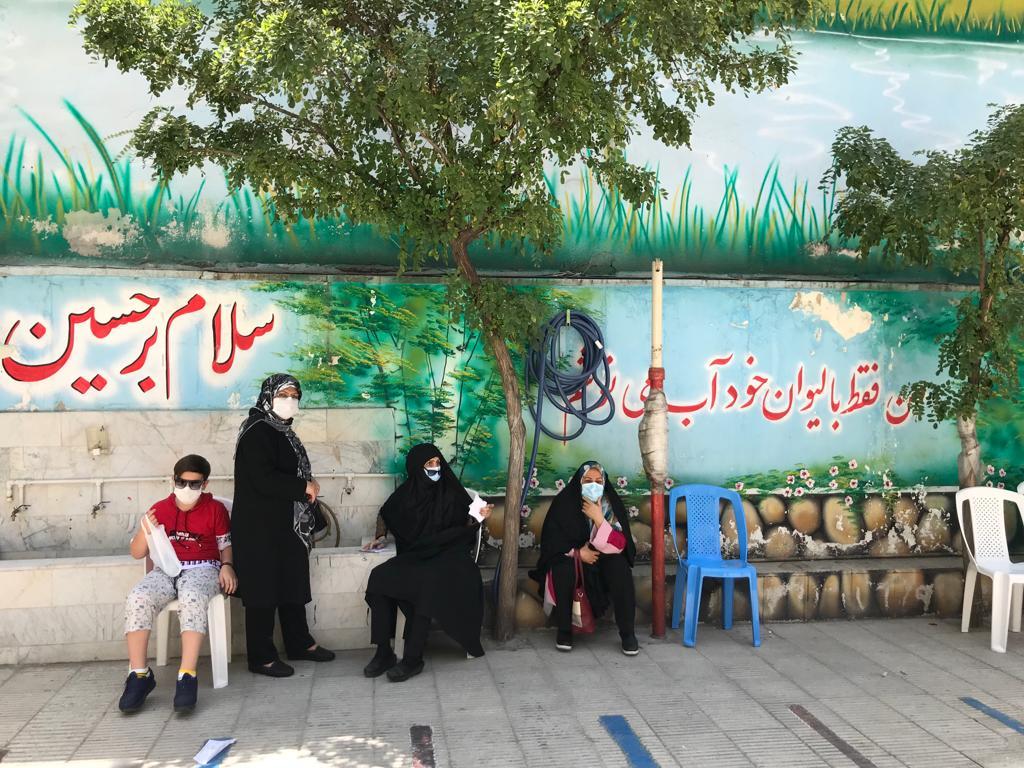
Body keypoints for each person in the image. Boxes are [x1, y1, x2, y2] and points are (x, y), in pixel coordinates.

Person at [232, 373, 334, 678]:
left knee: (292, 582)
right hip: (259, 527)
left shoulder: (281, 431)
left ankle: (299, 643)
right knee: (263, 590)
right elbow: (262, 479)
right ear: (269, 395)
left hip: (285, 524)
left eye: (295, 395)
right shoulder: (257, 431)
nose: (290, 400)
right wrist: (302, 487)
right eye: (284, 394)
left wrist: (304, 486)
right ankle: (261, 657)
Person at [362, 443, 490, 682]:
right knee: (379, 577)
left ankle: (413, 659)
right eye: (429, 464)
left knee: (426, 585)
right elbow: (386, 512)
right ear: (415, 469)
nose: (435, 468)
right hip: (416, 556)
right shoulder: (406, 495)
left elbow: (468, 524)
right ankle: (383, 652)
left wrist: (477, 519)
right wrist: (379, 536)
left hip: (449, 557)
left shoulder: (450, 492)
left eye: (437, 463)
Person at [118, 454, 236, 714]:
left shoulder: (214, 509)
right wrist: (145, 528)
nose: (187, 489)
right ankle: (139, 674)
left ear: (204, 484)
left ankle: (187, 675)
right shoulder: (160, 509)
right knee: (139, 596)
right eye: (182, 482)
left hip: (203, 568)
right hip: (166, 569)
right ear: (174, 480)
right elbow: (138, 553)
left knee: (192, 595)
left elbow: (224, 545)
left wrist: (227, 566)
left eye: (195, 484)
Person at [530, 460, 639, 655]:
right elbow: (552, 543)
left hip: (602, 556)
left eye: (598, 481)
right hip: (572, 556)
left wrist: (598, 517)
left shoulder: (608, 505)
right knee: (563, 568)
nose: (593, 485)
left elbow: (621, 545)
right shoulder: (565, 502)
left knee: (619, 568)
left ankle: (628, 634)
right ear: (579, 481)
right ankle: (564, 631)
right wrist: (579, 553)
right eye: (588, 480)